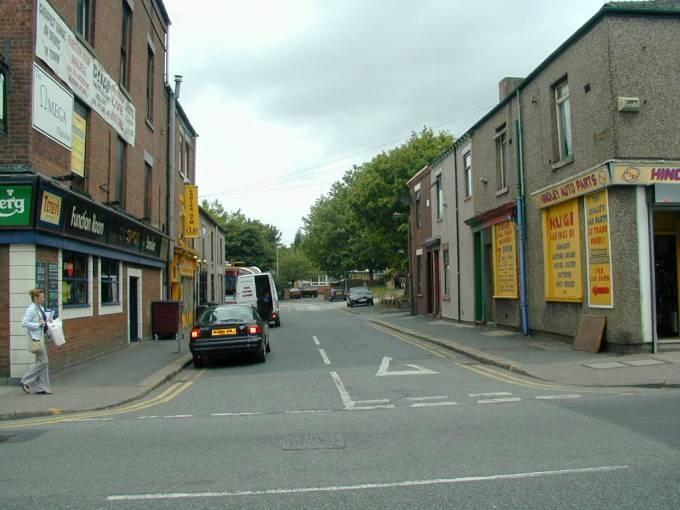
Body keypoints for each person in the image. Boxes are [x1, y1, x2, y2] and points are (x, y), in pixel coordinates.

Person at [20, 288, 52, 395]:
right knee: (44, 362)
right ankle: (25, 380)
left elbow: (43, 322)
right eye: (41, 297)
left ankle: (42, 388)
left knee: (43, 363)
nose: (43, 299)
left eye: (43, 297)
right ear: (35, 298)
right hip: (36, 339)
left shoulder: (40, 308)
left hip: (42, 337)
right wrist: (38, 325)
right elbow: (24, 323)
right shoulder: (31, 309)